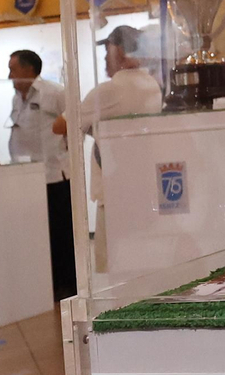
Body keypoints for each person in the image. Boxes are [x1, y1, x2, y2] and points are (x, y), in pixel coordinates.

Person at [52, 26, 163, 272]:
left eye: (107, 51)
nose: (104, 57)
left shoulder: (110, 90)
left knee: (109, 266)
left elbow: (60, 125)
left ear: (119, 52)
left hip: (115, 190)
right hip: (146, 187)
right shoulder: (152, 85)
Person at [7, 49, 76, 300]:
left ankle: (68, 285)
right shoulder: (17, 98)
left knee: (61, 235)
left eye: (13, 69)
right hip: (26, 178)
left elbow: (74, 124)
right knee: (39, 235)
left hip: (55, 175)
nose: (9, 75)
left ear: (29, 69)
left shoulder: (54, 92)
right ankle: (47, 284)